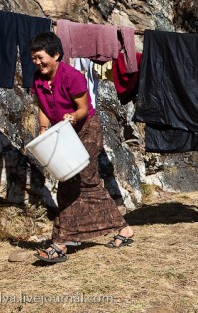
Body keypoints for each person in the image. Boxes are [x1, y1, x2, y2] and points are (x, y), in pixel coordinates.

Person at [29, 32, 134, 263]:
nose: (36, 62)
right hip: (62, 133)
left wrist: (73, 117)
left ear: (56, 54)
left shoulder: (72, 76)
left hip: (86, 128)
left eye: (40, 57)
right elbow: (43, 108)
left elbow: (83, 109)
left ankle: (60, 242)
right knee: (70, 181)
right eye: (33, 58)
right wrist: (44, 129)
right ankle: (120, 229)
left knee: (84, 179)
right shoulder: (37, 79)